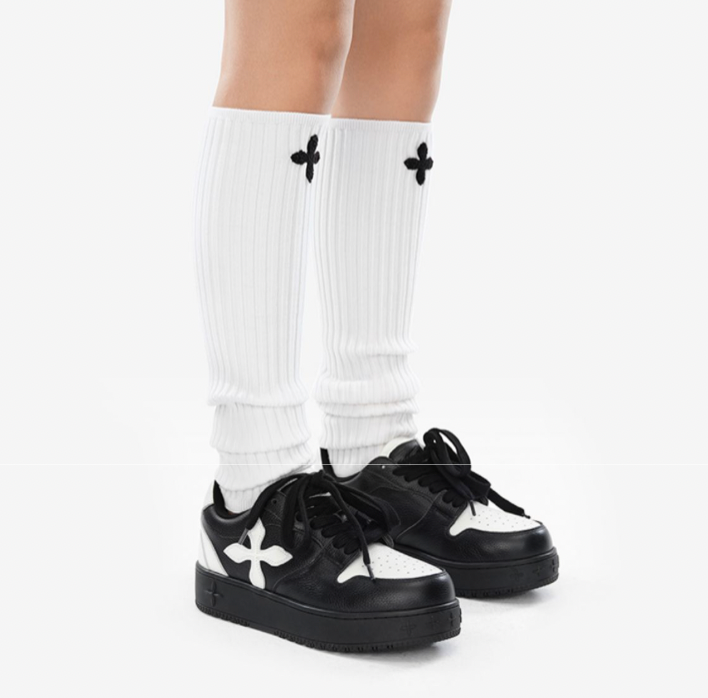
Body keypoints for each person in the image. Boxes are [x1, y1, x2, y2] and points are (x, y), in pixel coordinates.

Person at [194, 0, 558, 652]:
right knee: (298, 27)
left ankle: (368, 444)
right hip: (252, 504)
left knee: (406, 31)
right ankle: (252, 484)